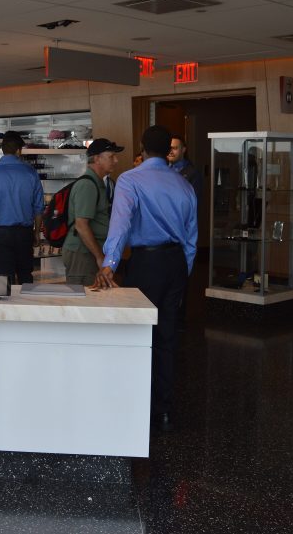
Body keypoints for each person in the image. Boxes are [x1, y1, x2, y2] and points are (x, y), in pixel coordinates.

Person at [95, 125, 197, 432]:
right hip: (176, 262)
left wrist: (109, 263)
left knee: (139, 335)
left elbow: (121, 224)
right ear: (168, 151)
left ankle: (136, 403)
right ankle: (163, 409)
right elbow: (191, 238)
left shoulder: (130, 180)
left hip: (147, 262)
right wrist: (184, 270)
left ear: (142, 147)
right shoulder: (184, 185)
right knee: (167, 335)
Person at [0, 131, 44, 284]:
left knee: (5, 278)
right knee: (26, 275)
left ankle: (6, 306)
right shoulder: (31, 173)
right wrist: (36, 233)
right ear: (19, 150)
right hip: (24, 233)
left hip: (0, 232)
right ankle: (25, 305)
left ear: (2, 149)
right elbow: (39, 208)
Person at [61, 138, 123, 286]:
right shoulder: (87, 185)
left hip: (90, 252)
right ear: (97, 158)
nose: (116, 160)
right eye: (111, 157)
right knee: (83, 302)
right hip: (83, 254)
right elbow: (81, 225)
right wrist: (99, 256)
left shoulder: (100, 183)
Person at [168, 135, 204, 201]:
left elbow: (194, 200)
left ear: (183, 149)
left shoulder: (193, 173)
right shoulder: (163, 170)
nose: (170, 152)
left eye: (175, 148)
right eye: (168, 148)